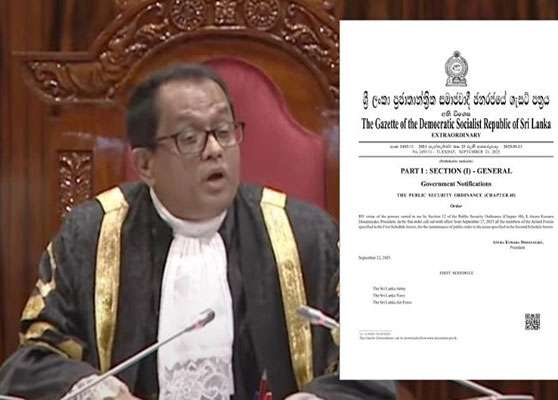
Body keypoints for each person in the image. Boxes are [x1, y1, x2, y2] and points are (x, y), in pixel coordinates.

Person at [0, 64, 395, 400]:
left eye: (224, 131)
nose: (214, 149)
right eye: (190, 138)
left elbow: (371, 360)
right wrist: (95, 391)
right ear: (145, 165)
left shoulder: (307, 235)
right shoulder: (90, 236)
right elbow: (33, 359)